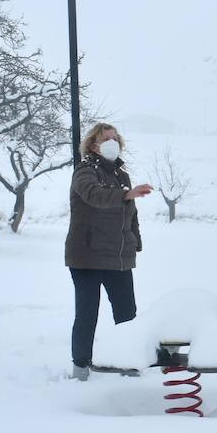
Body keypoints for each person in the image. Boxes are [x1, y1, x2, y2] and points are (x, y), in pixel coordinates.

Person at [65, 123, 152, 378]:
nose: (112, 143)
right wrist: (125, 195)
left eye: (115, 138)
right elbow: (95, 195)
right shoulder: (84, 172)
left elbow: (131, 214)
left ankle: (128, 364)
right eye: (106, 139)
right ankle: (81, 367)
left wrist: (134, 240)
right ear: (94, 145)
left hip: (118, 257)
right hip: (87, 256)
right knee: (87, 314)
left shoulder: (122, 176)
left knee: (127, 315)